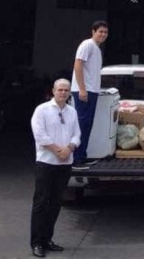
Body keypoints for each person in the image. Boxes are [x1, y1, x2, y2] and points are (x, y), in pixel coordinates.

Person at [29, 79, 81, 258]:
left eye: (66, 90)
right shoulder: (42, 110)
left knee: (56, 203)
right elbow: (40, 135)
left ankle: (47, 239)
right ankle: (37, 242)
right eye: (60, 90)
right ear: (53, 91)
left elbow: (77, 134)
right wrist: (58, 150)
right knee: (41, 203)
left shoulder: (72, 111)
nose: (63, 93)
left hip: (65, 164)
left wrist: (70, 148)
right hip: (46, 163)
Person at [71, 20, 108, 170]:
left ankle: (82, 156)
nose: (103, 35)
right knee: (82, 125)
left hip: (92, 91)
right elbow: (78, 65)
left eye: (105, 32)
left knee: (87, 125)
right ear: (93, 31)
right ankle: (76, 159)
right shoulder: (87, 45)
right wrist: (82, 89)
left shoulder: (97, 49)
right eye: (100, 31)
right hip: (84, 91)